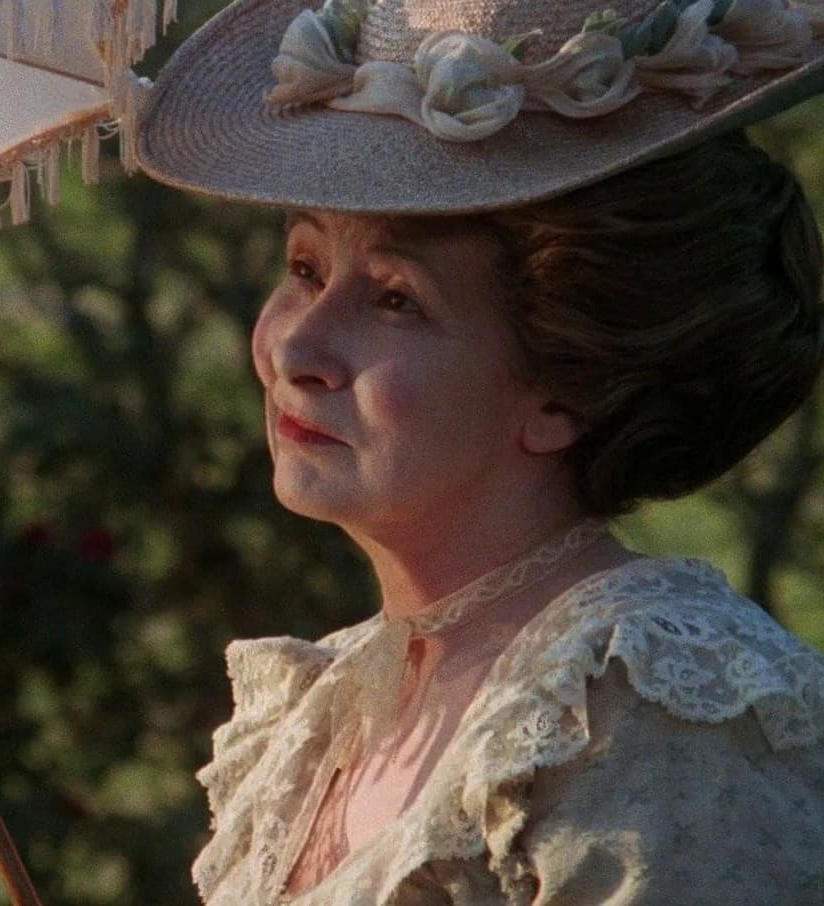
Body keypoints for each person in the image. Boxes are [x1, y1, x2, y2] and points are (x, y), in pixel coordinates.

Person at [133, 0, 824, 902]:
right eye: (305, 269)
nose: (295, 349)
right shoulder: (329, 712)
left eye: (396, 300)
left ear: (565, 389)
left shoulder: (651, 710)